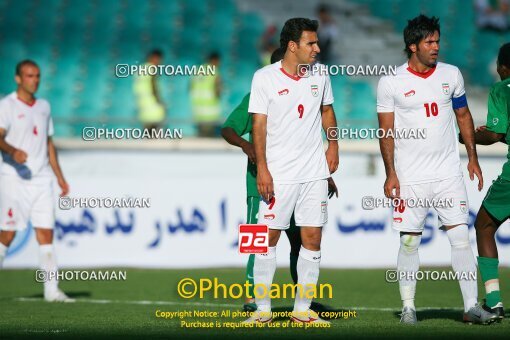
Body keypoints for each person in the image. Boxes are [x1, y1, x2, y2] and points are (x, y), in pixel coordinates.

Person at [377, 14, 497, 325]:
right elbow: (386, 131)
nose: (436, 47)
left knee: (460, 238)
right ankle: (408, 307)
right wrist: (391, 173)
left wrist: (472, 156)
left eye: (438, 41)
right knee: (409, 241)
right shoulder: (391, 82)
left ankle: (471, 306)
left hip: (448, 174)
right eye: (429, 42)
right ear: (412, 45)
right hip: (410, 178)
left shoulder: (451, 74)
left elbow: (464, 116)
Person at [221, 47, 338, 313]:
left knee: (301, 241)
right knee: (259, 240)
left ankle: (303, 300)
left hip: (301, 181)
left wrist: (324, 177)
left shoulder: (305, 95)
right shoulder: (257, 95)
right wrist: (246, 146)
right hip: (261, 185)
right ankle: (253, 299)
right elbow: (227, 128)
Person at [0, 60, 73, 302]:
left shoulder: (44, 106)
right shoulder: (6, 106)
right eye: (29, 76)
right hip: (14, 178)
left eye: (38, 76)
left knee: (46, 235)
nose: (35, 80)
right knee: (7, 235)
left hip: (42, 180)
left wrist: (60, 177)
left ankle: (52, 291)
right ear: (18, 78)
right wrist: (12, 151)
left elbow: (48, 143)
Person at [465, 42, 510, 322]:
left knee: (484, 225)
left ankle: (494, 302)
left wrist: (466, 137)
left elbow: (493, 134)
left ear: (504, 67)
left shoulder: (501, 88)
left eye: (499, 65)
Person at [133, 49, 165, 133]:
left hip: (143, 106)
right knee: (153, 133)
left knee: (147, 132)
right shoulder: (152, 69)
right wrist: (160, 102)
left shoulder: (141, 68)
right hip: (153, 106)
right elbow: (154, 87)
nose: (159, 62)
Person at [190, 52, 222, 137]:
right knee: (208, 140)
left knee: (200, 139)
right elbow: (217, 92)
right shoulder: (215, 72)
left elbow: (190, 88)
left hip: (197, 112)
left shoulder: (197, 70)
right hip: (210, 113)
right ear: (215, 60)